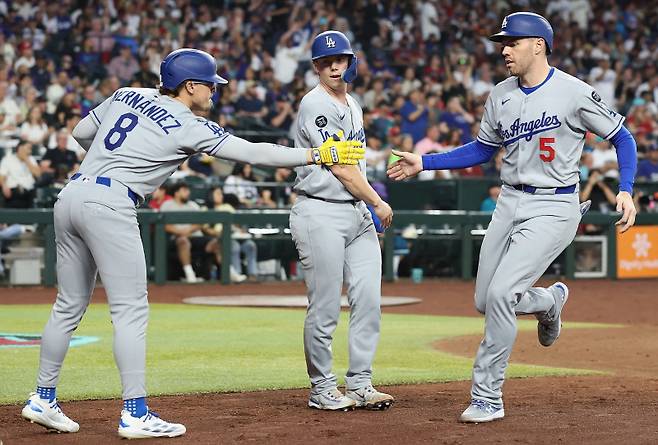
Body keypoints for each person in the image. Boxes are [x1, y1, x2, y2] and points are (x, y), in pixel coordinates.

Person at [20, 48, 364, 439]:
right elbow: (252, 152)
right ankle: (135, 413)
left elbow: (82, 133)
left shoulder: (126, 93)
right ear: (190, 86)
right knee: (131, 311)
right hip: (110, 203)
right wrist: (317, 153)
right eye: (210, 85)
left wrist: (120, 157)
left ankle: (43, 398)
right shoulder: (190, 124)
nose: (214, 92)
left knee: (68, 304)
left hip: (71, 195)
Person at [387, 12, 637, 423]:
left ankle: (487, 395)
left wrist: (625, 189)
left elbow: (622, 137)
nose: (504, 49)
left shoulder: (573, 92)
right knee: (486, 300)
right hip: (509, 201)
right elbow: (483, 149)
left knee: (502, 295)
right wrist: (426, 161)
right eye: (503, 42)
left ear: (538, 44)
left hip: (554, 205)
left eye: (512, 42)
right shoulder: (500, 94)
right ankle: (548, 301)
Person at [290, 30, 394, 412]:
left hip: (355, 212)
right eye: (326, 61)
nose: (335, 66)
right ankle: (321, 387)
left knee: (368, 300)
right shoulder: (314, 104)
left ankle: (361, 382)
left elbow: (356, 166)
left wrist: (369, 199)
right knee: (325, 306)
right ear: (316, 66)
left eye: (341, 60)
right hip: (320, 211)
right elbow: (340, 166)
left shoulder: (353, 104)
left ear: (351, 62)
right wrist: (377, 202)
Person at [160, 181, 224, 283]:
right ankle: (190, 274)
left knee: (216, 242)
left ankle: (227, 272)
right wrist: (180, 232)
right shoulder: (167, 205)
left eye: (188, 190)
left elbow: (200, 222)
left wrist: (188, 230)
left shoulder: (193, 205)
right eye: (184, 190)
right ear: (176, 193)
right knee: (183, 241)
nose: (188, 192)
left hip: (195, 237)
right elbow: (164, 225)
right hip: (177, 238)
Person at [0, 140, 41, 208]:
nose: (30, 151)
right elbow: (1, 177)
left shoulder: (31, 159)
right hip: (13, 193)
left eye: (30, 149)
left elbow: (38, 174)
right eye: (28, 148)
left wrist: (26, 160)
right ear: (19, 148)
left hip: (29, 192)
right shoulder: (8, 159)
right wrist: (4, 186)